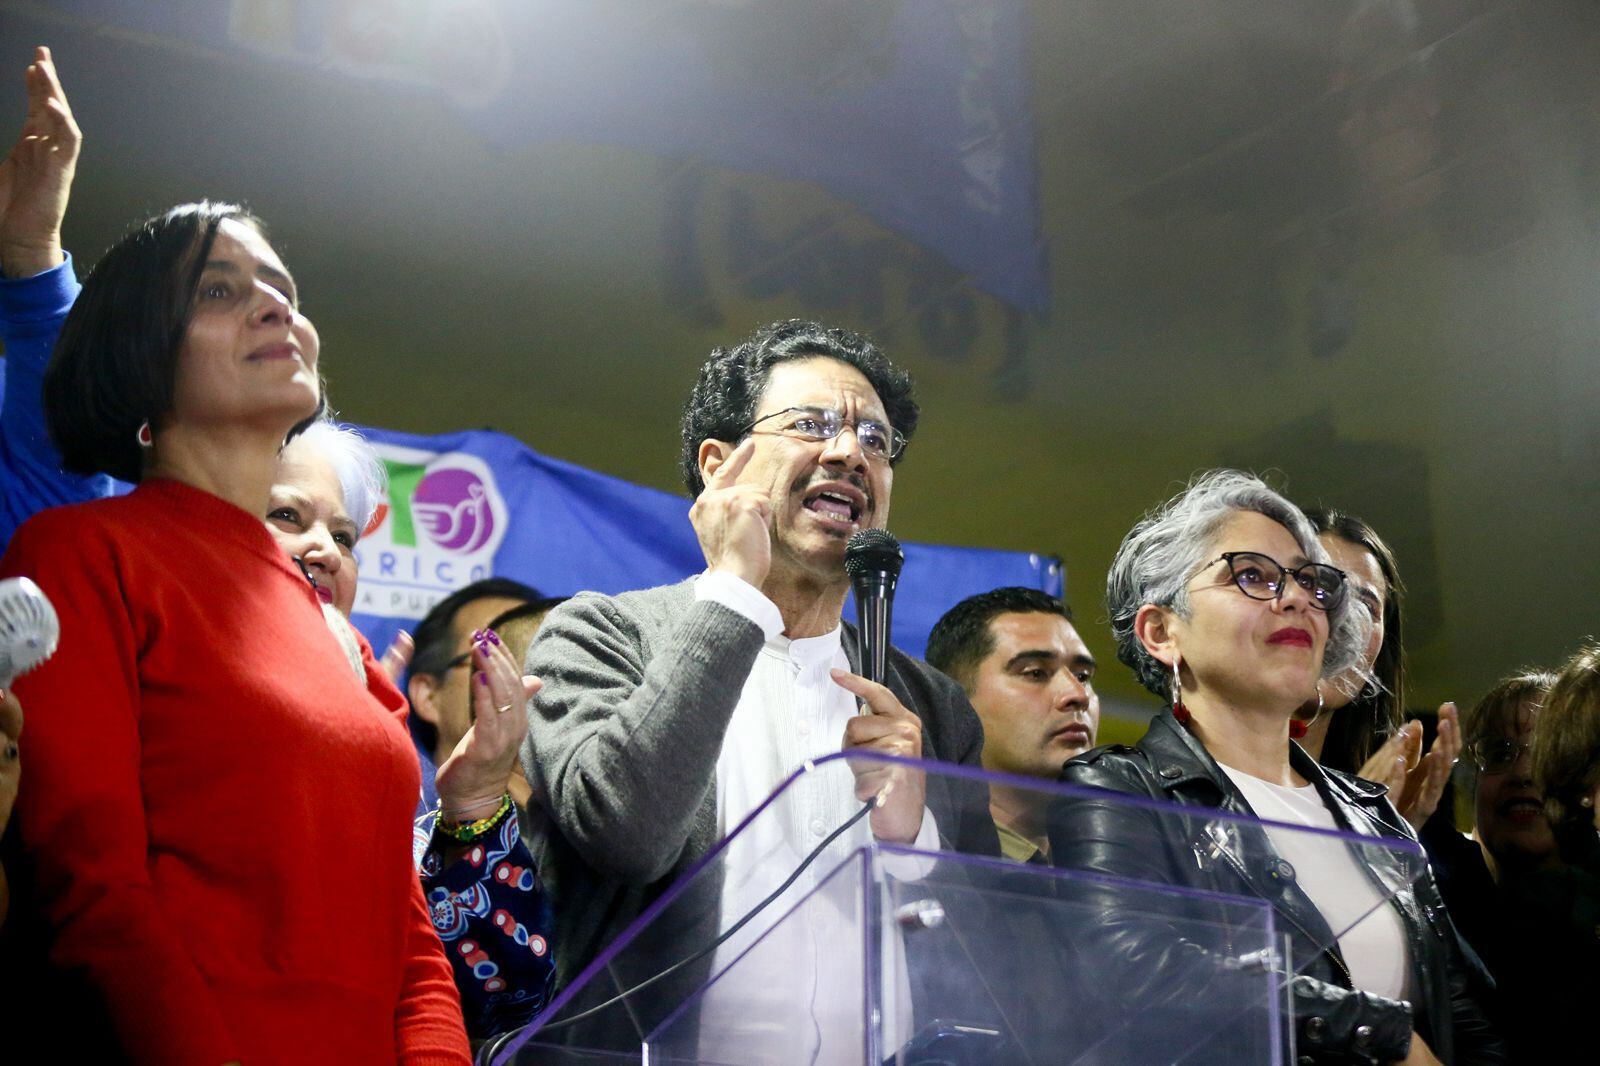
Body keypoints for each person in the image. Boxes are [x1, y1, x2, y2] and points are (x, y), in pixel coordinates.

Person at [0, 172, 480, 1064]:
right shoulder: (80, 557)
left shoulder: (338, 637)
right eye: (220, 289)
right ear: (139, 347)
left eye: (283, 292)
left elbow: (408, 940)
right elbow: (93, 890)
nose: (273, 308)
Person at [521, 319, 993, 1049]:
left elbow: (995, 953)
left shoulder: (932, 707)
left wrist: (913, 838)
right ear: (720, 466)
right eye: (811, 425)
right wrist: (737, 592)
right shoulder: (601, 635)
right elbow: (628, 837)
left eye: (876, 440)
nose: (849, 453)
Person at [1048, 470, 1502, 1065]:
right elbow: (1135, 969)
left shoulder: (1373, 813)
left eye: (1310, 583)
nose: (1295, 598)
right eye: (1251, 575)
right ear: (1162, 632)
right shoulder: (1116, 789)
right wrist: (1382, 1031)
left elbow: (1465, 1013)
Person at [405, 578, 557, 1039]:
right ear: (428, 695)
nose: (515, 682)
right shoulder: (399, 836)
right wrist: (473, 813)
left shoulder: (610, 832)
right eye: (489, 657)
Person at [1296, 508, 1460, 831]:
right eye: (1320, 588)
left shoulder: (1393, 811)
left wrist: (1396, 842)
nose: (1341, 620)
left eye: (1366, 606)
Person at [926, 586, 1098, 863]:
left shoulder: (1129, 863)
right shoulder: (922, 863)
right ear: (955, 704)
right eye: (1035, 672)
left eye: (1083, 675)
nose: (1077, 695)